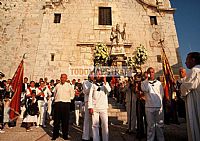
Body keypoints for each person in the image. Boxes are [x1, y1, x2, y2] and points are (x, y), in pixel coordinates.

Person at [180, 52, 200, 141]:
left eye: (187, 59)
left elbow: (186, 87)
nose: (185, 62)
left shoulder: (195, 71)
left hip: (195, 101)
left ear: (193, 60)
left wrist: (181, 86)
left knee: (195, 122)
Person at [141, 67, 164, 141]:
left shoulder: (159, 83)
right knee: (150, 126)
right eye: (149, 72)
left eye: (152, 72)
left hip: (158, 107)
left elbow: (161, 94)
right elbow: (145, 89)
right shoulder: (144, 83)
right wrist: (147, 79)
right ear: (147, 74)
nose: (151, 74)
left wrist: (160, 104)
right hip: (149, 107)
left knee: (159, 126)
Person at [88, 70, 111, 141]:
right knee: (95, 125)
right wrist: (90, 107)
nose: (98, 76)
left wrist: (105, 81)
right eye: (97, 74)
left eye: (100, 74)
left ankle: (105, 139)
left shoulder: (105, 84)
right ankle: (96, 139)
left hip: (103, 107)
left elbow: (109, 90)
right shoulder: (93, 85)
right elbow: (90, 96)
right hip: (95, 107)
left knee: (105, 125)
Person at [52, 74, 74, 140]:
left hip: (66, 104)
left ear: (66, 78)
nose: (63, 79)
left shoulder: (69, 86)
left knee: (65, 121)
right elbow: (54, 93)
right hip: (58, 104)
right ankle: (55, 135)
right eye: (62, 77)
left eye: (64, 77)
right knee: (56, 121)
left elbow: (72, 95)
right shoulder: (57, 85)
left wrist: (67, 99)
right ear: (60, 78)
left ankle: (65, 135)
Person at [82, 71, 94, 141]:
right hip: (87, 102)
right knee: (87, 119)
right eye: (92, 75)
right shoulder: (86, 82)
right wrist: (93, 86)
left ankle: (93, 135)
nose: (93, 76)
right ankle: (85, 136)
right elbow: (86, 91)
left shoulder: (96, 83)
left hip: (95, 102)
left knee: (94, 120)